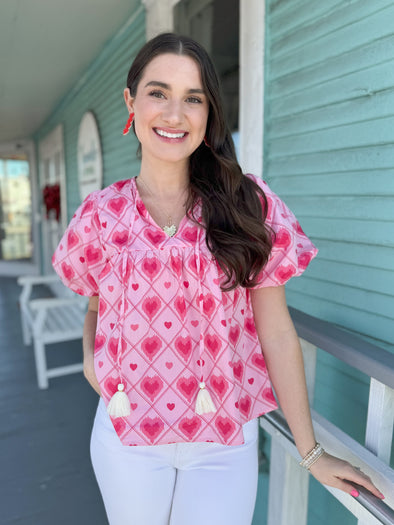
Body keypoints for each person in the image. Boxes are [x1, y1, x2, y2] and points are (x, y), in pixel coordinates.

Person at [52, 32, 384, 525]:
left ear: (208, 114)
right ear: (131, 101)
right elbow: (97, 306)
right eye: (158, 92)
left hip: (223, 442)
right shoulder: (101, 215)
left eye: (193, 98)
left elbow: (275, 330)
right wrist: (88, 358)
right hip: (127, 439)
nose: (173, 113)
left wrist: (311, 453)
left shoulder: (247, 204)